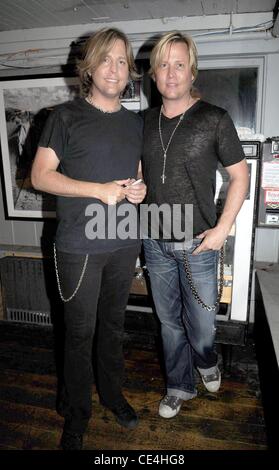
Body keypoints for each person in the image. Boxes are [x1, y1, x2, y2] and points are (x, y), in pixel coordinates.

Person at [31, 27, 146, 450]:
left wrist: (139, 190)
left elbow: (139, 177)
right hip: (78, 247)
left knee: (113, 329)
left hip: (123, 242)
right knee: (79, 333)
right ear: (89, 67)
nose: (114, 68)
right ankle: (77, 414)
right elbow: (41, 176)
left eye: (122, 60)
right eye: (106, 59)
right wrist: (98, 189)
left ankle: (113, 396)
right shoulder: (64, 117)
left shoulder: (136, 123)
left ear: (129, 69)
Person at [142, 31, 249, 419]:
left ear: (192, 73)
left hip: (199, 243)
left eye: (180, 65)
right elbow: (142, 172)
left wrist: (222, 229)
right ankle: (178, 386)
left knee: (201, 327)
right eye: (163, 65)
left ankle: (208, 359)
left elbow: (241, 176)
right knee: (169, 322)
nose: (171, 74)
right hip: (153, 241)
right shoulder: (141, 122)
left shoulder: (214, 119)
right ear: (154, 74)